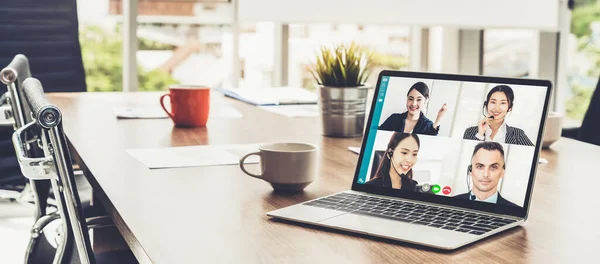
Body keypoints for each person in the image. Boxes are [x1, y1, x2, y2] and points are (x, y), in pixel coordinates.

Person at [463, 85, 534, 146]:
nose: (496, 108)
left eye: (503, 103)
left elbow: (534, 156)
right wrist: (480, 134)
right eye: (493, 102)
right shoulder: (470, 132)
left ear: (509, 108)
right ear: (486, 104)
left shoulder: (517, 134)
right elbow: (467, 155)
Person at [454, 142, 518, 207]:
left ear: (502, 172)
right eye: (480, 166)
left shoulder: (515, 211)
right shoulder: (452, 203)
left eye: (493, 167)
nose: (486, 174)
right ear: (470, 170)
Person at [379, 81, 448, 135]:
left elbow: (430, 141)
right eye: (411, 99)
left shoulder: (427, 125)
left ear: (426, 101)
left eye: (419, 100)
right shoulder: (394, 118)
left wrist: (439, 118)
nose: (414, 104)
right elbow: (378, 134)